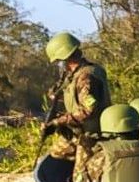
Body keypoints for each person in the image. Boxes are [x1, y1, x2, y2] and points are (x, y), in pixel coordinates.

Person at [41, 31, 112, 167]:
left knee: (83, 181)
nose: (59, 65)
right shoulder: (76, 75)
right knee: (56, 153)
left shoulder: (85, 77)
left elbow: (88, 110)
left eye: (59, 61)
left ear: (65, 59)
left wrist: (58, 122)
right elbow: (67, 96)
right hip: (80, 132)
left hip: (91, 136)